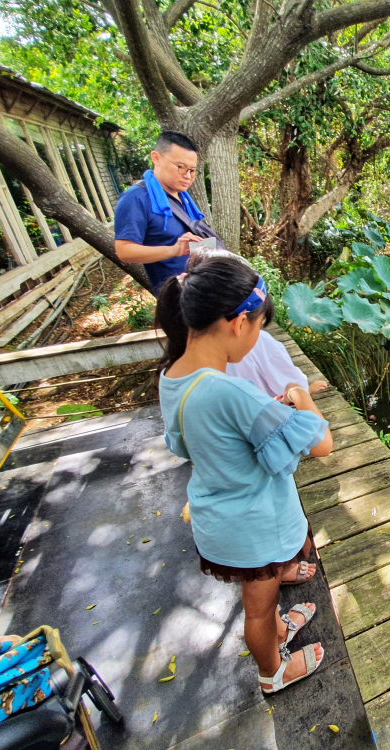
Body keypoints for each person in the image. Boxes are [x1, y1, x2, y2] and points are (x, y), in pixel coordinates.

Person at [155, 252, 332, 694]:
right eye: (258, 327)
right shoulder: (232, 392)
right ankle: (273, 670)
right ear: (237, 323)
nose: (258, 337)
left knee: (262, 596)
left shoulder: (173, 375)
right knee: (256, 606)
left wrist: (260, 415)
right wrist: (299, 395)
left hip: (219, 516)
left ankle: (276, 630)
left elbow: (187, 440)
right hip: (255, 526)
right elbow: (320, 443)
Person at [114, 131, 210, 295]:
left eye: (192, 170)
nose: (187, 176)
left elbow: (187, 246)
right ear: (156, 158)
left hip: (203, 287)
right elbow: (124, 251)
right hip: (178, 298)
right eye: (180, 167)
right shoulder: (136, 198)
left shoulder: (182, 197)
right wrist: (174, 250)